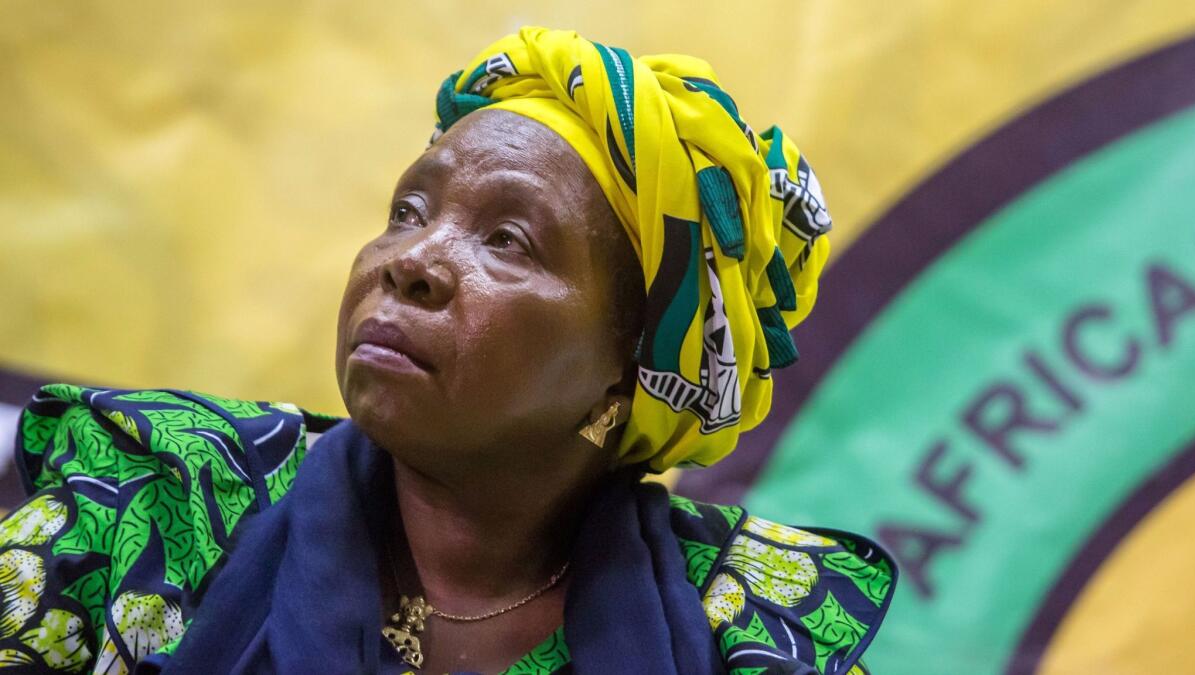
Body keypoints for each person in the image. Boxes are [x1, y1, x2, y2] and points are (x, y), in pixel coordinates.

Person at [0, 26, 895, 674]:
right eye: (408, 210)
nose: (413, 261)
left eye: (508, 239)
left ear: (630, 368)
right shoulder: (153, 505)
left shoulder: (748, 633)